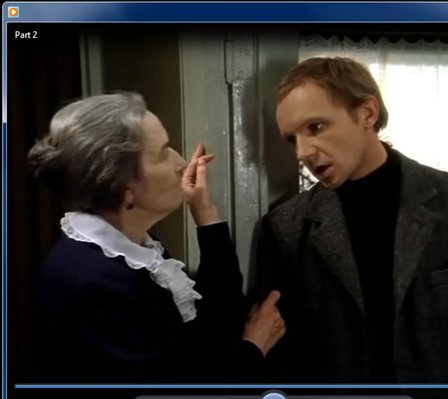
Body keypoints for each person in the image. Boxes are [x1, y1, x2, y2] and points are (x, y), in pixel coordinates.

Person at [254, 57, 448, 399]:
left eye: (316, 127)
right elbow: (280, 358)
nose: (302, 152)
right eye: (293, 139)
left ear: (367, 113)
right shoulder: (285, 227)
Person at [27, 92, 285, 383]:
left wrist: (206, 213)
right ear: (123, 185)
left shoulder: (133, 250)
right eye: (163, 153)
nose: (181, 163)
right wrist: (253, 349)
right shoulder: (92, 282)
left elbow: (213, 327)